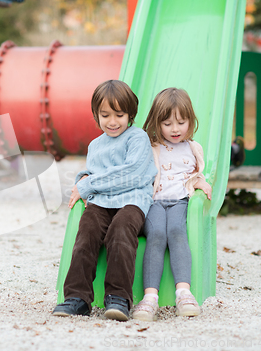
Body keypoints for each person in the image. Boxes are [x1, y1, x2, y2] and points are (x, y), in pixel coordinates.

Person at [52, 80, 157, 321]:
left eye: (119, 115)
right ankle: (77, 298)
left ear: (130, 114)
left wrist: (87, 184)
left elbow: (131, 174)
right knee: (87, 230)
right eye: (105, 115)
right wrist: (84, 178)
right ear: (96, 115)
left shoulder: (137, 137)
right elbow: (92, 172)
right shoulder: (95, 145)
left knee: (120, 231)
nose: (112, 121)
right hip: (102, 202)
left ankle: (119, 297)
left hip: (132, 201)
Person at [132, 88, 212, 321]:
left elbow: (194, 173)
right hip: (154, 202)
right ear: (157, 122)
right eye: (167, 123)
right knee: (156, 233)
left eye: (181, 122)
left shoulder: (192, 148)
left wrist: (200, 183)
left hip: (179, 201)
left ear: (191, 121)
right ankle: (150, 297)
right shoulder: (151, 146)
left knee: (177, 231)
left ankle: (183, 292)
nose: (175, 129)